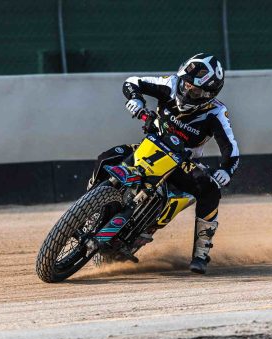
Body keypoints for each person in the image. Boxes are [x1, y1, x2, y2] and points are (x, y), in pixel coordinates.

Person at [89, 53, 239, 274]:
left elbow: (231, 149)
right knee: (106, 158)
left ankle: (201, 253)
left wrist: (226, 170)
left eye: (195, 91)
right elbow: (132, 81)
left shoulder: (216, 112)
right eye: (186, 84)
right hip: (147, 148)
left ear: (208, 95)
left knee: (210, 189)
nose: (187, 91)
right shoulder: (169, 84)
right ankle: (91, 212)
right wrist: (135, 100)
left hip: (180, 165)